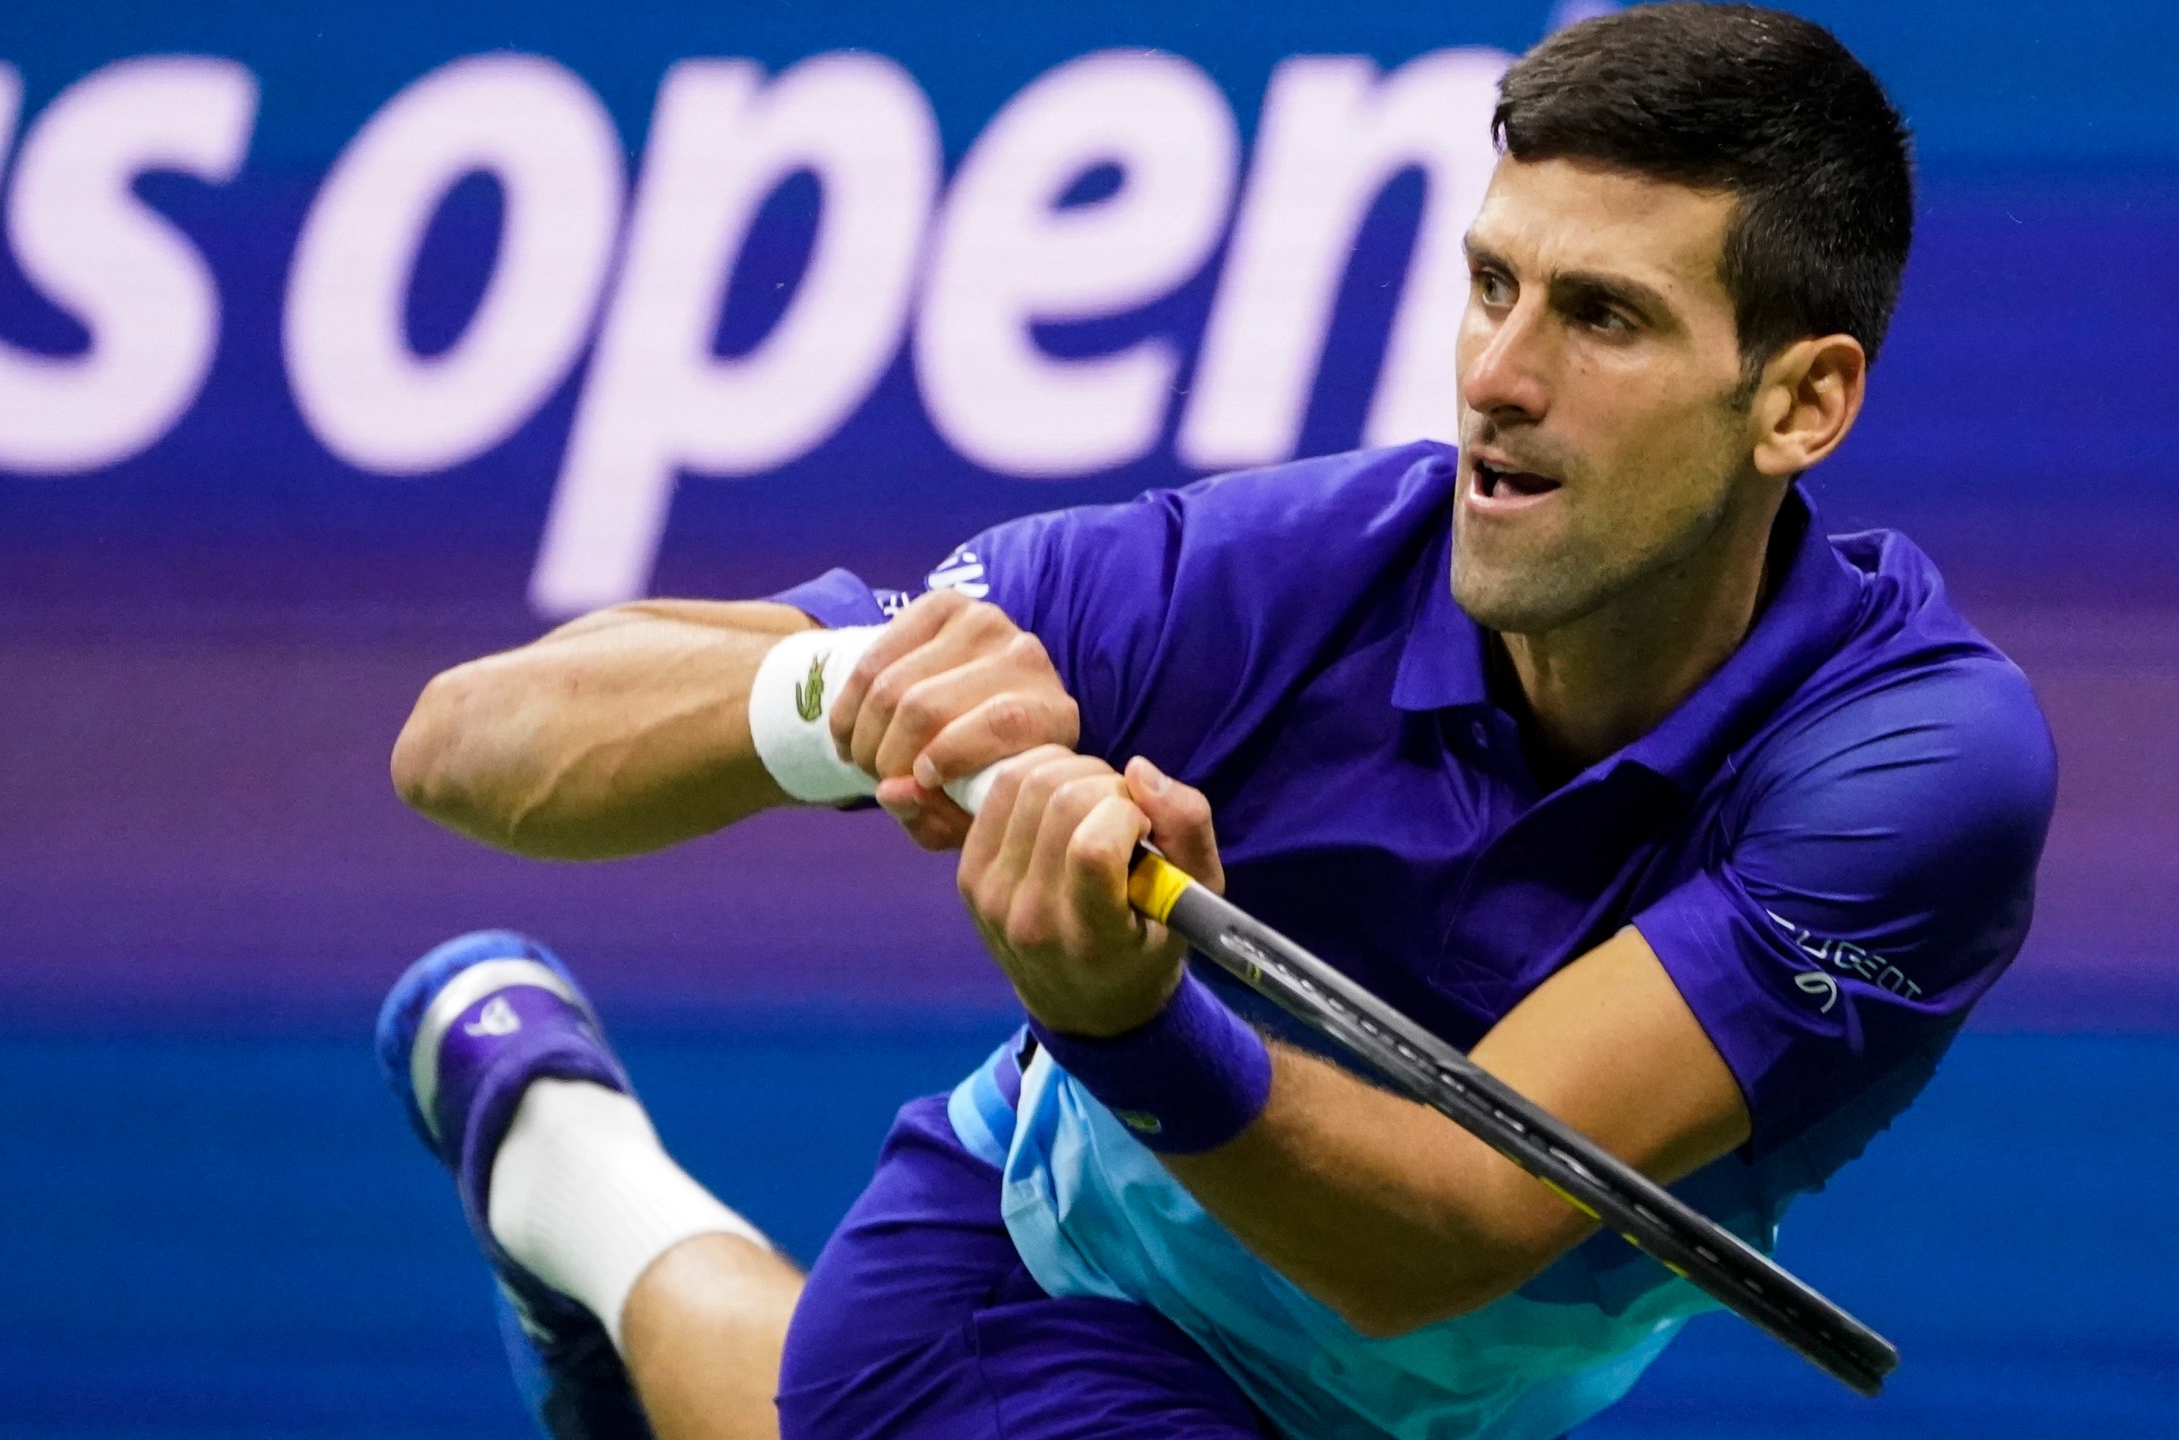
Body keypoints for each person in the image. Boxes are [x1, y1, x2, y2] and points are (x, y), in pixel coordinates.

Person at [376, 7, 2055, 1438]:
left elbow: (1456, 1231)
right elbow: (464, 744)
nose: (1497, 375)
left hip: (1432, 1371)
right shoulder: (1246, 587)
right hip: (1051, 1283)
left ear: (1804, 401)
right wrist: (838, 696)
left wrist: (1135, 1012)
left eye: (1601, 317)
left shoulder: (1914, 768)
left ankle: (568, 1174)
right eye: (1489, 285)